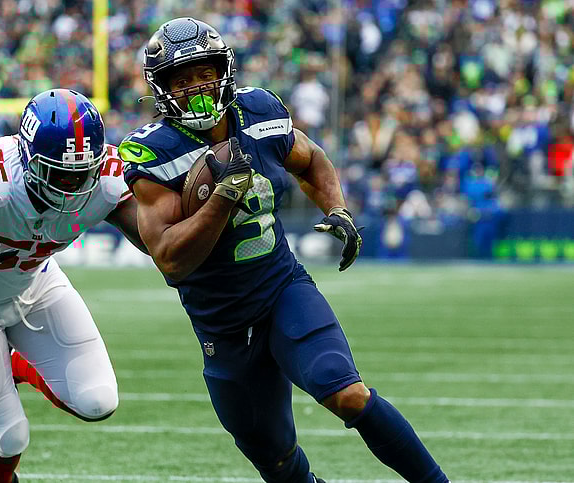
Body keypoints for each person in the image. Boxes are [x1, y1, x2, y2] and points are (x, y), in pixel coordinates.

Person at [119, 18, 448, 483]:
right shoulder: (153, 152)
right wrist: (221, 198)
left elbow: (311, 158)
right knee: (275, 459)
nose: (197, 87)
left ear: (225, 70)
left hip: (281, 290)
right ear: (162, 88)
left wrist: (337, 208)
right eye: (182, 78)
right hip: (223, 323)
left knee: (347, 392)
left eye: (205, 72)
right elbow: (171, 259)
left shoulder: (258, 111)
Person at [0, 88, 145, 483]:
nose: (72, 185)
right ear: (28, 159)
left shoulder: (107, 175)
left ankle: (16, 363)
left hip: (33, 281)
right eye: (60, 172)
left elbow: (152, 237)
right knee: (8, 436)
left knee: (98, 399)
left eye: (81, 171)